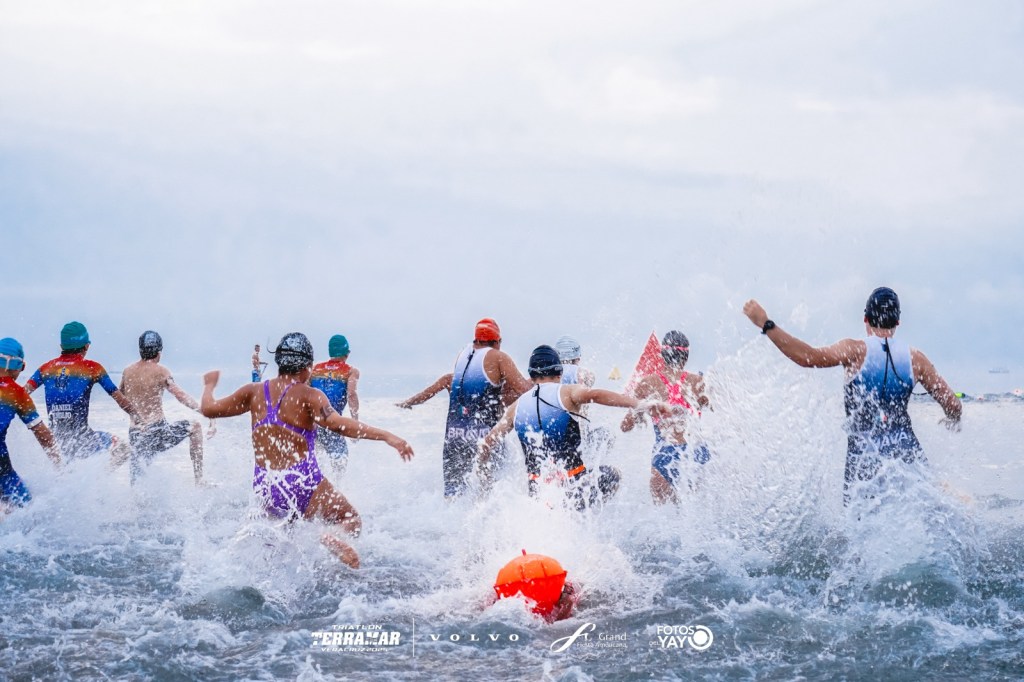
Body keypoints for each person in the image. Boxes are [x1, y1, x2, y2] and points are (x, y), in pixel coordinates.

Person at [200, 332, 414, 568]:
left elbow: (209, 409)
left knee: (280, 540)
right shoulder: (311, 395)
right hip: (304, 481)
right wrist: (386, 436)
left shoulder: (253, 392)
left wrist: (209, 385)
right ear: (307, 367)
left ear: (280, 362)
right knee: (349, 518)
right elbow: (337, 424)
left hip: (266, 485)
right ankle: (330, 537)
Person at [742, 288, 962, 503]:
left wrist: (766, 324)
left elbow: (807, 357)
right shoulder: (916, 359)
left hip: (864, 462)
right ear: (897, 323)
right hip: (908, 456)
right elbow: (953, 404)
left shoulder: (854, 351)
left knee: (862, 530)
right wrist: (952, 420)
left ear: (865, 318)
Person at [478, 345, 665, 511]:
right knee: (612, 474)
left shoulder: (515, 407)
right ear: (559, 373)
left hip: (537, 491)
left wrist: (485, 482)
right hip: (573, 486)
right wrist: (641, 404)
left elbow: (486, 444)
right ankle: (584, 524)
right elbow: (598, 395)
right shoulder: (566, 392)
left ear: (532, 376)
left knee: (537, 484)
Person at [433, 318, 532, 498]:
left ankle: (449, 526)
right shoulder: (499, 357)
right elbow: (525, 391)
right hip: (484, 438)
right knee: (489, 494)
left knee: (453, 496)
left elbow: (480, 395)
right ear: (497, 341)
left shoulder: (462, 355)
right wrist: (536, 378)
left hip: (454, 438)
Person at [25, 321, 136, 464]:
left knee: (66, 470)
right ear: (86, 346)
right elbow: (120, 400)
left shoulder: (46, 369)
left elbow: (20, 395)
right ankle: (97, 480)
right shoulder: (92, 368)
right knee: (123, 449)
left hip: (55, 443)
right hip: (84, 439)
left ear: (61, 346)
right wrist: (138, 417)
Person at [621, 330, 711, 504]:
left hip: (666, 454)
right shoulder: (698, 382)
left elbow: (626, 426)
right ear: (686, 356)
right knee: (698, 515)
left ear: (662, 354)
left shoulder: (647, 383)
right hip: (696, 451)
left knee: (664, 521)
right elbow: (712, 406)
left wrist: (641, 413)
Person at [120, 331, 207, 485]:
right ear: (159, 352)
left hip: (135, 433)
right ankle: (199, 480)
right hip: (157, 431)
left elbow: (121, 397)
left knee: (138, 485)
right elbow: (180, 395)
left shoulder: (127, 371)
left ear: (140, 350)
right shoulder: (161, 371)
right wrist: (202, 409)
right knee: (195, 427)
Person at [0, 337, 62, 512]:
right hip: (1, 467)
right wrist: (59, 464)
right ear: (17, 367)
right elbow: (44, 435)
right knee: (26, 509)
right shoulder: (16, 393)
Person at [309, 334, 360, 475]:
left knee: (313, 466)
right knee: (339, 469)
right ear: (346, 353)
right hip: (333, 424)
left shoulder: (314, 370)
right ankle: (336, 493)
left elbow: (304, 394)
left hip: (313, 425)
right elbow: (351, 394)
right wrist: (355, 422)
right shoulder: (350, 371)